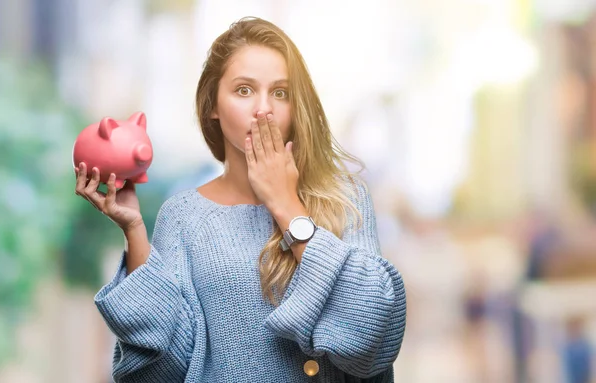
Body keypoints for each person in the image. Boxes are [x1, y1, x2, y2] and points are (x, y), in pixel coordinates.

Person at [74, 16, 406, 383]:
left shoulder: (345, 197)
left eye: (280, 92)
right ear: (213, 104)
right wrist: (134, 230)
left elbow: (373, 336)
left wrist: (286, 205)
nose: (263, 108)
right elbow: (163, 369)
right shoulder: (185, 216)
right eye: (244, 90)